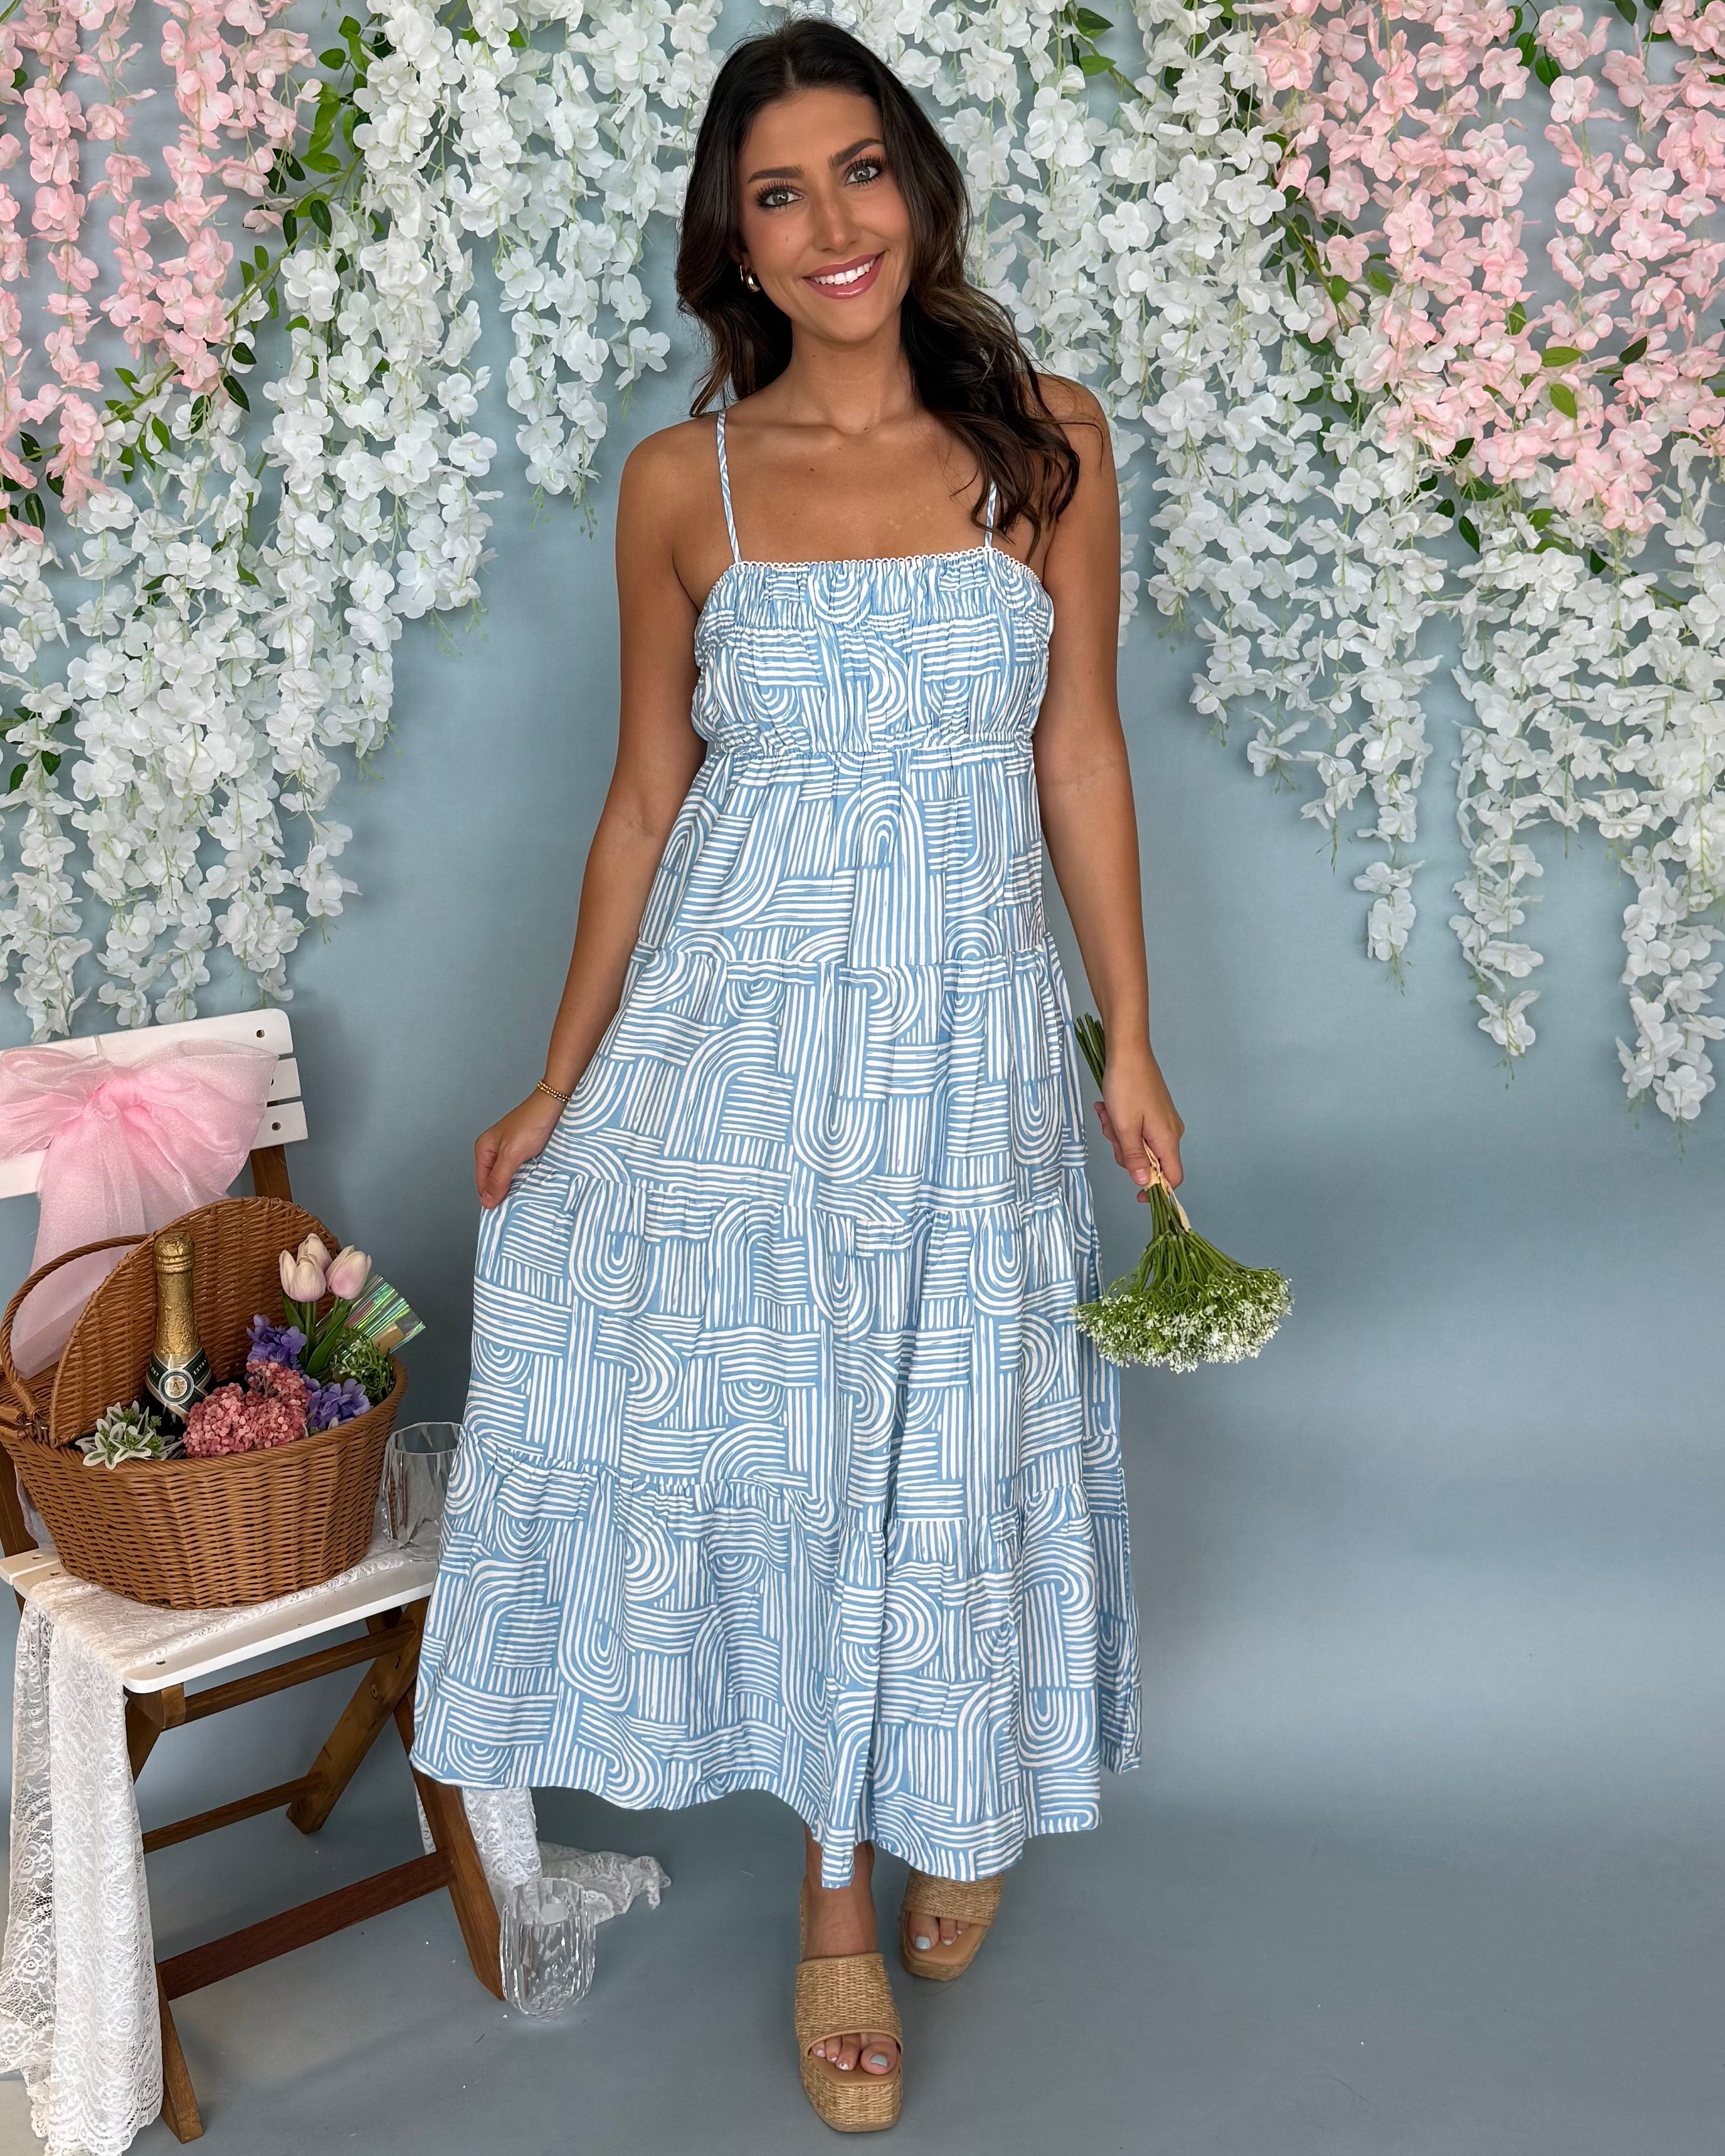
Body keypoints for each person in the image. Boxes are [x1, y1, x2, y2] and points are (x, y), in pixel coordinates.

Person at [410, 14, 1184, 2133]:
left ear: (915, 193)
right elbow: (644, 799)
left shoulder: (1046, 442)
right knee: (804, 1442)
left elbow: (1079, 753)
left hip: (965, 1038)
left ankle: (956, 1783)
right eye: (779, 191)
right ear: (734, 242)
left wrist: (1128, 1034)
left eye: (859, 171)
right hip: (741, 1047)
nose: (831, 222)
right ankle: (837, 1895)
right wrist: (560, 1075)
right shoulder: (689, 483)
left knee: (954, 1421)